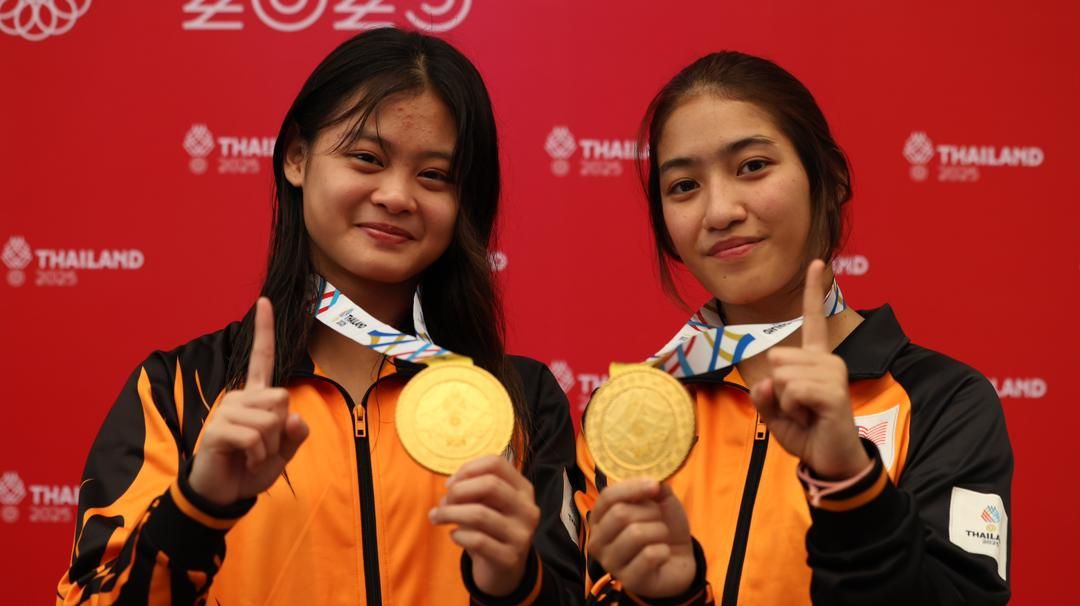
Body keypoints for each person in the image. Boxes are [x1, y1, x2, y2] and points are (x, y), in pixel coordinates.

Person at [58, 28, 582, 605]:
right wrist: (198, 507)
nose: (397, 195)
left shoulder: (518, 400)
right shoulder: (179, 390)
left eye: (434, 175)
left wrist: (512, 583)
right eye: (366, 158)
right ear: (297, 157)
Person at [575, 51, 1012, 605]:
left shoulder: (942, 401)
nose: (719, 210)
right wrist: (675, 598)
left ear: (825, 179)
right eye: (683, 185)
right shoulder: (626, 413)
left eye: (752, 166)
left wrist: (850, 483)